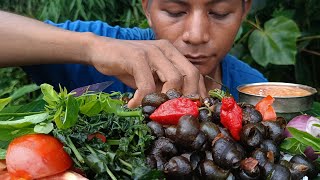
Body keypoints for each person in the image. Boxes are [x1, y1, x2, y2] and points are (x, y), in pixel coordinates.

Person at [0, 0, 267, 108]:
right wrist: (90, 47)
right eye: (175, 11)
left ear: (245, 10)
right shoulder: (107, 44)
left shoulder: (253, 89)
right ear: (146, 9)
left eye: (220, 13)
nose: (196, 35)